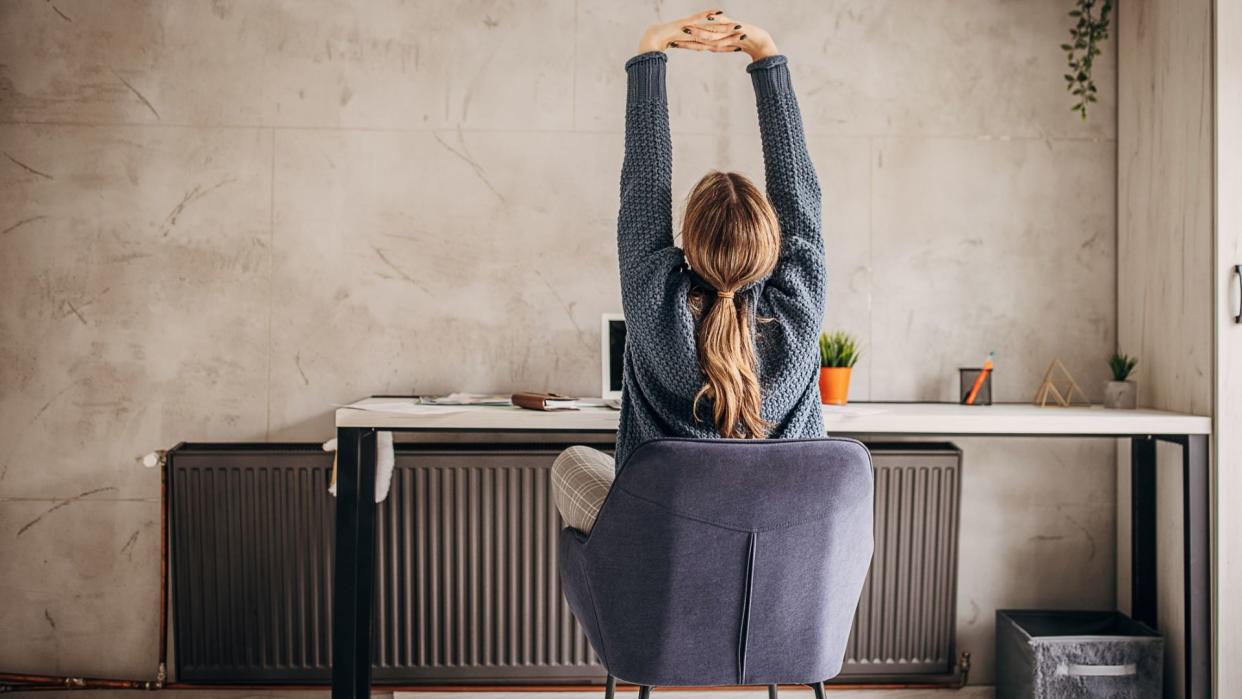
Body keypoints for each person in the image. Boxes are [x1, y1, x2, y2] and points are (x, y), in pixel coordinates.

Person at [552, 10, 825, 533]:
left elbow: (644, 182)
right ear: (774, 244)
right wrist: (766, 56)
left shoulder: (655, 294)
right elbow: (800, 191)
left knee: (572, 461)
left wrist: (651, 51)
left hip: (663, 547)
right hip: (783, 549)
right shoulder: (801, 303)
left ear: (689, 245)